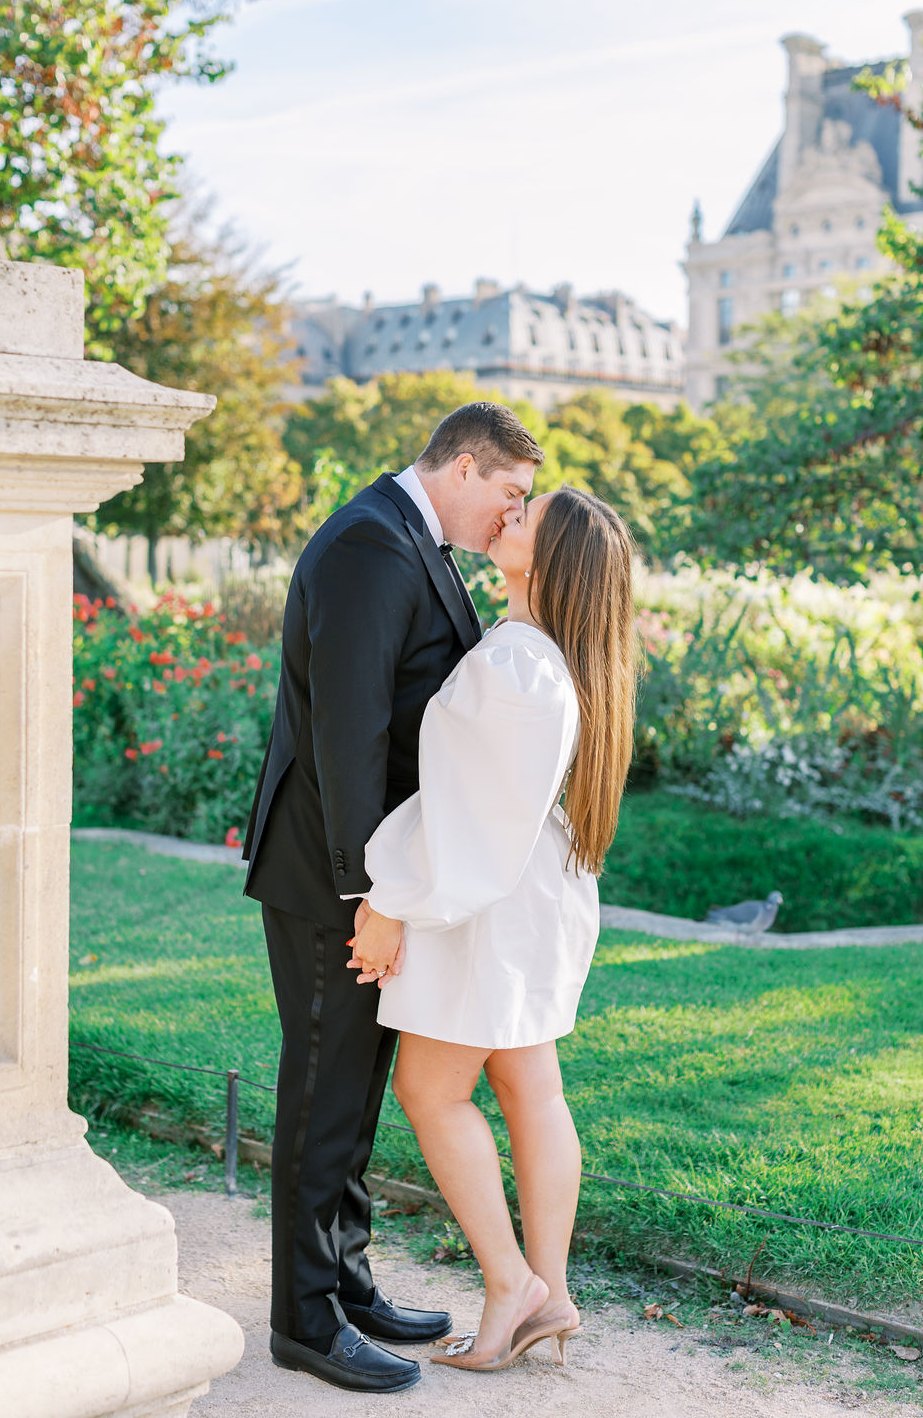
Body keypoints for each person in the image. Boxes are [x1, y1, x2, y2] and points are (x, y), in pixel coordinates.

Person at [242, 402, 544, 1393]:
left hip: (370, 872)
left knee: (356, 1086)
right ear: (463, 466)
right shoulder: (372, 548)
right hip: (333, 873)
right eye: (509, 494)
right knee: (323, 1088)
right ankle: (303, 1320)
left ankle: (349, 1283)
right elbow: (349, 736)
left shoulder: (405, 534)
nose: (512, 516)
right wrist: (367, 890)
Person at [348, 486, 640, 1372]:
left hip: (489, 899)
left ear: (548, 562)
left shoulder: (521, 665)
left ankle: (512, 1284)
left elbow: (464, 812)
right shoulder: (554, 658)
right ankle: (547, 1294)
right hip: (531, 890)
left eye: (529, 515)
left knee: (432, 1093)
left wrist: (389, 898)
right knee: (530, 1090)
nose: (509, 512)